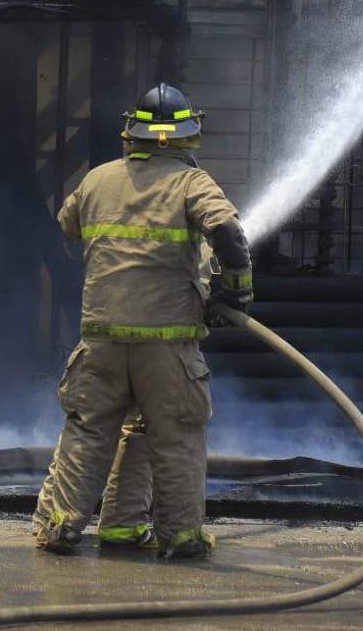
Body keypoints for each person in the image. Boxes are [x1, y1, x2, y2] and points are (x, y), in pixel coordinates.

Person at [32, 82, 253, 559]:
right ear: (188, 135)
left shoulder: (97, 180)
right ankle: (182, 537)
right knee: (175, 436)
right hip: (167, 346)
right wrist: (234, 289)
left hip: (103, 338)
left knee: (88, 433)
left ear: (131, 134)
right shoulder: (192, 183)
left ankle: (63, 527)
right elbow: (229, 234)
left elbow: (68, 226)